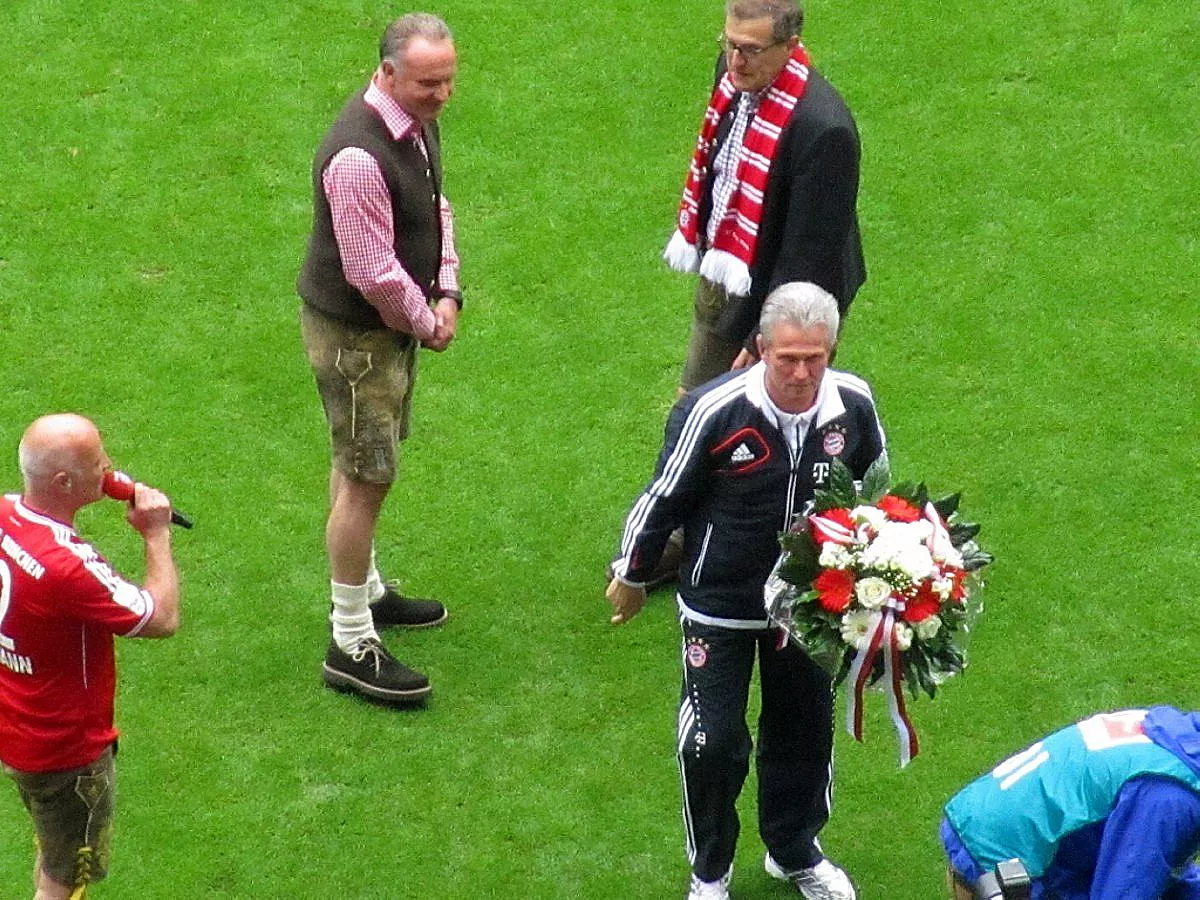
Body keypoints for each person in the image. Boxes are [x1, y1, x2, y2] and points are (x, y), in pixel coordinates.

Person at [607, 283, 884, 900]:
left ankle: (794, 852)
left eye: (815, 357)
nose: (802, 371)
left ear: (832, 349)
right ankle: (710, 874)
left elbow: (875, 499)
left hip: (811, 608)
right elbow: (664, 495)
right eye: (787, 357)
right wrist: (631, 572)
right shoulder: (714, 410)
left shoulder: (855, 406)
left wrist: (883, 578)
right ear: (760, 349)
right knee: (713, 742)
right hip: (718, 603)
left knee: (805, 730)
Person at [296, 13, 462, 705]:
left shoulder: (408, 118)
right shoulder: (360, 156)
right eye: (428, 83)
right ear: (388, 72)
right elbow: (374, 272)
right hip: (359, 339)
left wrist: (449, 282)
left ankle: (365, 587)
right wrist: (429, 320)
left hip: (383, 330)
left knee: (360, 461)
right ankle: (351, 638)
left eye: (449, 80)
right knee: (367, 476)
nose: (442, 95)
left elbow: (435, 206)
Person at [0, 414, 181, 899]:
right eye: (98, 461)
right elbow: (160, 618)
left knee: (53, 846)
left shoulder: (4, 516)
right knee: (65, 881)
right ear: (64, 482)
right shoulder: (65, 566)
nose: (109, 467)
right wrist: (156, 534)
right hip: (67, 752)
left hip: (18, 728)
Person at [665, 0, 866, 392]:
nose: (737, 61)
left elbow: (812, 255)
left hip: (786, 300)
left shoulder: (824, 130)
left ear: (790, 46)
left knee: (762, 428)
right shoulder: (732, 75)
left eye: (752, 50)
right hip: (727, 270)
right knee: (696, 408)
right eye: (731, 43)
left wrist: (763, 335)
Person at [942, 706, 1200, 900]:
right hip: (996, 862)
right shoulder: (1169, 800)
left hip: (995, 826)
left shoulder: (1179, 739)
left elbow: (1160, 864)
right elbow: (1125, 889)